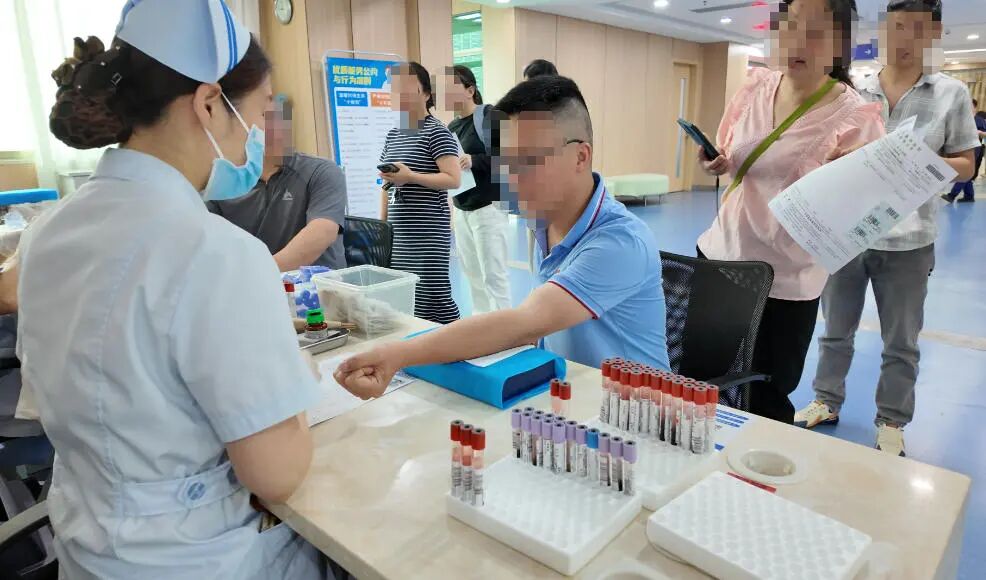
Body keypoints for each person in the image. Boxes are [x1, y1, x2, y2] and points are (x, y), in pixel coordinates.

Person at [19, 2, 344, 577]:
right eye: (261, 109)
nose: (260, 133)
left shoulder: (48, 231)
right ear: (209, 103)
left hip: (86, 550)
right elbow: (277, 475)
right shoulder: (216, 252)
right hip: (201, 559)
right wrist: (295, 383)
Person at [335, 76, 670, 397]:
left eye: (529, 160)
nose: (512, 178)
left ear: (580, 156)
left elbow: (526, 322)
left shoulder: (619, 242)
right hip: (574, 395)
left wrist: (397, 355)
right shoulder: (546, 223)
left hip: (639, 414)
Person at [798, 0, 978, 456]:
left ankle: (892, 419)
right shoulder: (852, 91)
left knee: (901, 341)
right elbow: (826, 149)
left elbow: (967, 165)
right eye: (896, 27)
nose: (903, 39)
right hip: (848, 235)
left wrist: (915, 162)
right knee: (835, 330)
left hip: (909, 241)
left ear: (933, 34)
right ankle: (826, 400)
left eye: (915, 29)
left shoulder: (951, 93)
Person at [697, 0, 885, 424]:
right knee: (703, 380)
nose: (798, 41)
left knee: (765, 398)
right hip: (720, 256)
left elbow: (864, 216)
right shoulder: (754, 87)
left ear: (840, 44)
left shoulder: (858, 118)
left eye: (815, 31)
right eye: (790, 26)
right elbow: (729, 153)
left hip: (784, 282)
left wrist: (842, 188)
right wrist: (716, 162)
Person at [209, 98, 348, 271]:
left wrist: (260, 274)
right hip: (254, 281)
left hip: (315, 284)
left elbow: (323, 231)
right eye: (267, 123)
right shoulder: (225, 182)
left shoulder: (321, 171)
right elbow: (206, 238)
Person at [379, 62, 462, 324]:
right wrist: (383, 227)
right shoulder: (393, 134)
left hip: (428, 232)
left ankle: (455, 340)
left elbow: (453, 179)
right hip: (400, 232)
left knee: (433, 294)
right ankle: (418, 343)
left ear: (426, 93)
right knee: (406, 295)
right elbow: (385, 183)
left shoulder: (437, 132)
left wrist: (411, 177)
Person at [444, 64, 511, 314]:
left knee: (494, 276)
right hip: (462, 209)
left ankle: (505, 330)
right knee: (473, 277)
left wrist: (475, 160)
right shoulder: (451, 127)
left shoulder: (489, 116)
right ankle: (482, 326)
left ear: (470, 90)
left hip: (488, 208)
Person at [942, 97, 986, 203]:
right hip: (962, 146)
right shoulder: (963, 119)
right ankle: (969, 196)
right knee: (968, 172)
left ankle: (952, 195)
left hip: (974, 147)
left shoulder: (979, 120)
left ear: (974, 107)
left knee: (965, 170)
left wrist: (980, 133)